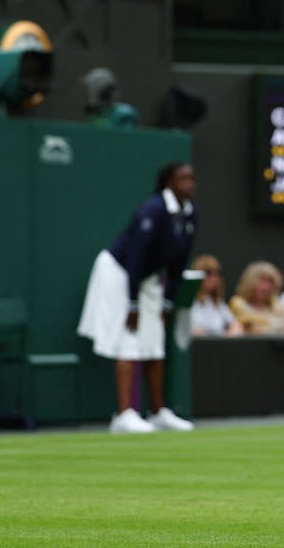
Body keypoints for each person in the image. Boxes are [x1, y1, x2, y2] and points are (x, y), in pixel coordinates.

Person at [76, 162, 197, 433]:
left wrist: (168, 301)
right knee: (127, 340)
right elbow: (135, 259)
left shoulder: (190, 213)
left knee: (154, 342)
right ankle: (123, 414)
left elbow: (180, 262)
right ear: (169, 183)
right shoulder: (152, 210)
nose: (190, 184)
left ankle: (157, 412)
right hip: (120, 273)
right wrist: (132, 303)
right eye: (183, 179)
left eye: (192, 178)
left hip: (148, 279)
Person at [189, 254, 243, 337]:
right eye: (208, 273)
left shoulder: (217, 303)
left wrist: (229, 335)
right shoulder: (187, 300)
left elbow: (236, 325)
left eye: (216, 274)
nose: (214, 278)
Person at [228, 260, 284, 335]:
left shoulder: (278, 305)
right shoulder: (238, 303)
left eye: (270, 282)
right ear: (250, 282)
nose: (266, 287)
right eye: (262, 281)